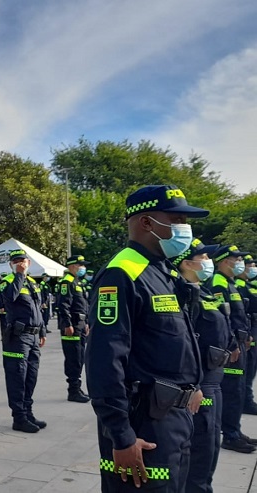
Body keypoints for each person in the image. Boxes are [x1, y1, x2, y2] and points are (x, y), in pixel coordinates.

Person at [86, 185, 205, 491]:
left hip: (173, 418)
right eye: (177, 219)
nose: (185, 229)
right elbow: (105, 360)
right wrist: (121, 435)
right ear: (147, 222)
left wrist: (194, 385)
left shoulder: (161, 271)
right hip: (143, 424)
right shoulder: (122, 273)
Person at [172, 239, 231, 492]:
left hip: (214, 378)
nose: (208, 262)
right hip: (201, 383)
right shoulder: (182, 294)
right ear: (186, 263)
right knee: (200, 447)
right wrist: (193, 384)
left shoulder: (202, 290)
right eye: (204, 258)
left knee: (211, 445)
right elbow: (185, 343)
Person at [210, 245, 257, 453]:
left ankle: (234, 430)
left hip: (240, 344)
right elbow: (222, 318)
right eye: (235, 259)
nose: (240, 263)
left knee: (238, 389)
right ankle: (229, 435)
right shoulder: (218, 283)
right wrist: (231, 344)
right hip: (232, 348)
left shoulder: (230, 283)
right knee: (232, 391)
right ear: (223, 261)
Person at [1, 248, 47, 433]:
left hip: (34, 336)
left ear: (29, 262)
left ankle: (28, 412)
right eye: (16, 261)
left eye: (23, 261)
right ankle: (18, 417)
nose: (21, 263)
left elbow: (38, 308)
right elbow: (10, 298)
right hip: (18, 337)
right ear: (10, 264)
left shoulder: (33, 283)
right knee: (17, 377)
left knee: (31, 376)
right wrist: (19, 275)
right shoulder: (7, 282)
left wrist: (42, 330)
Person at [56, 254, 91, 403]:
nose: (83, 268)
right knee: (73, 358)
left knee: (79, 357)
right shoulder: (67, 282)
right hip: (72, 325)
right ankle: (73, 391)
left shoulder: (78, 282)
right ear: (71, 266)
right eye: (80, 265)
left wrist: (87, 322)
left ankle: (77, 388)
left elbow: (83, 305)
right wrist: (67, 324)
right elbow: (63, 306)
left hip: (81, 324)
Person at [237, 254, 257, 415]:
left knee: (250, 373)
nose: (251, 267)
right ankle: (246, 402)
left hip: (251, 333)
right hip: (246, 335)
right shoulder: (237, 286)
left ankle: (247, 401)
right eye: (249, 264)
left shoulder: (248, 284)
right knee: (245, 373)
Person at [0, 272, 9, 337]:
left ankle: (8, 336)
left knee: (8, 323)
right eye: (2, 276)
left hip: (8, 307)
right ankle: (4, 336)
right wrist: (1, 306)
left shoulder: (8, 284)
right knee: (3, 323)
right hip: (2, 307)